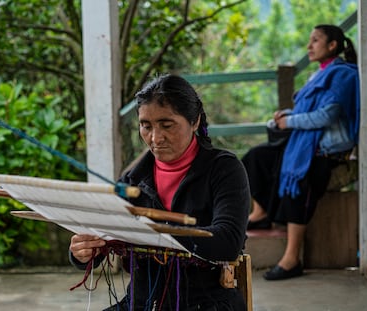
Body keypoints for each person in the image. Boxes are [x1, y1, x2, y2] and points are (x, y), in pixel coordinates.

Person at [69, 74, 250, 310]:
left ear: (194, 121)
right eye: (146, 126)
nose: (155, 138)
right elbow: (101, 239)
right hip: (143, 304)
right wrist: (83, 252)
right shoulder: (134, 179)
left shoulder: (224, 169)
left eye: (167, 125)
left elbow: (228, 241)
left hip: (206, 303)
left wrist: (152, 232)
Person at [242, 24, 360, 281]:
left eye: (315, 40)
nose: (309, 46)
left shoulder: (342, 75)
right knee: (256, 157)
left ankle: (292, 258)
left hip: (326, 151)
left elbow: (327, 116)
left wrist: (291, 122)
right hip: (306, 142)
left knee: (301, 180)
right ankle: (261, 213)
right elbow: (310, 113)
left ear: (332, 46)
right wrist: (287, 116)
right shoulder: (319, 74)